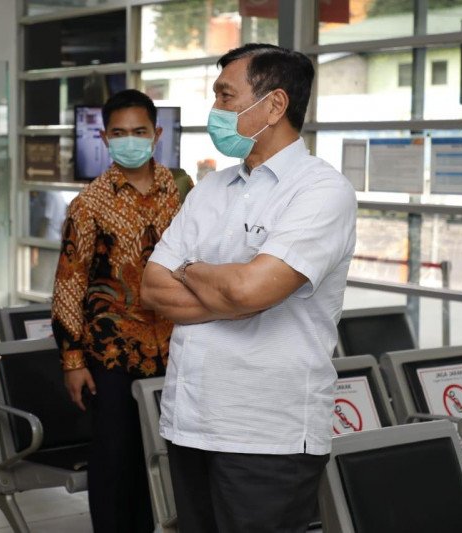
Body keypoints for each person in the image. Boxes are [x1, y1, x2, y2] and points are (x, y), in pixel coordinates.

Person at [141, 43, 357, 532]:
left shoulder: (321, 191)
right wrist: (231, 286)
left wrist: (194, 270)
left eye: (225, 96)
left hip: (268, 435)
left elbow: (251, 292)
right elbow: (152, 288)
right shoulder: (213, 189)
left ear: (275, 105)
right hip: (189, 422)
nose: (214, 111)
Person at [51, 89, 182, 533]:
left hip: (177, 350)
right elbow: (69, 284)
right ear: (105, 138)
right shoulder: (88, 204)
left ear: (156, 134)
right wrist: (72, 362)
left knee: (169, 461)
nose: (131, 140)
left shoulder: (183, 196)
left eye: (140, 131)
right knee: (115, 465)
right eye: (120, 133)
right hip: (111, 357)